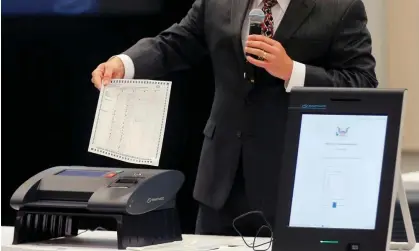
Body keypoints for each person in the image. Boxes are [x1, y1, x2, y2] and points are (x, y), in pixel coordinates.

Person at [91, 0, 378, 237]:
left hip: (294, 182)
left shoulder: (340, 7)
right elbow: (174, 43)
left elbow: (363, 82)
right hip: (221, 182)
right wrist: (125, 63)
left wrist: (293, 71)